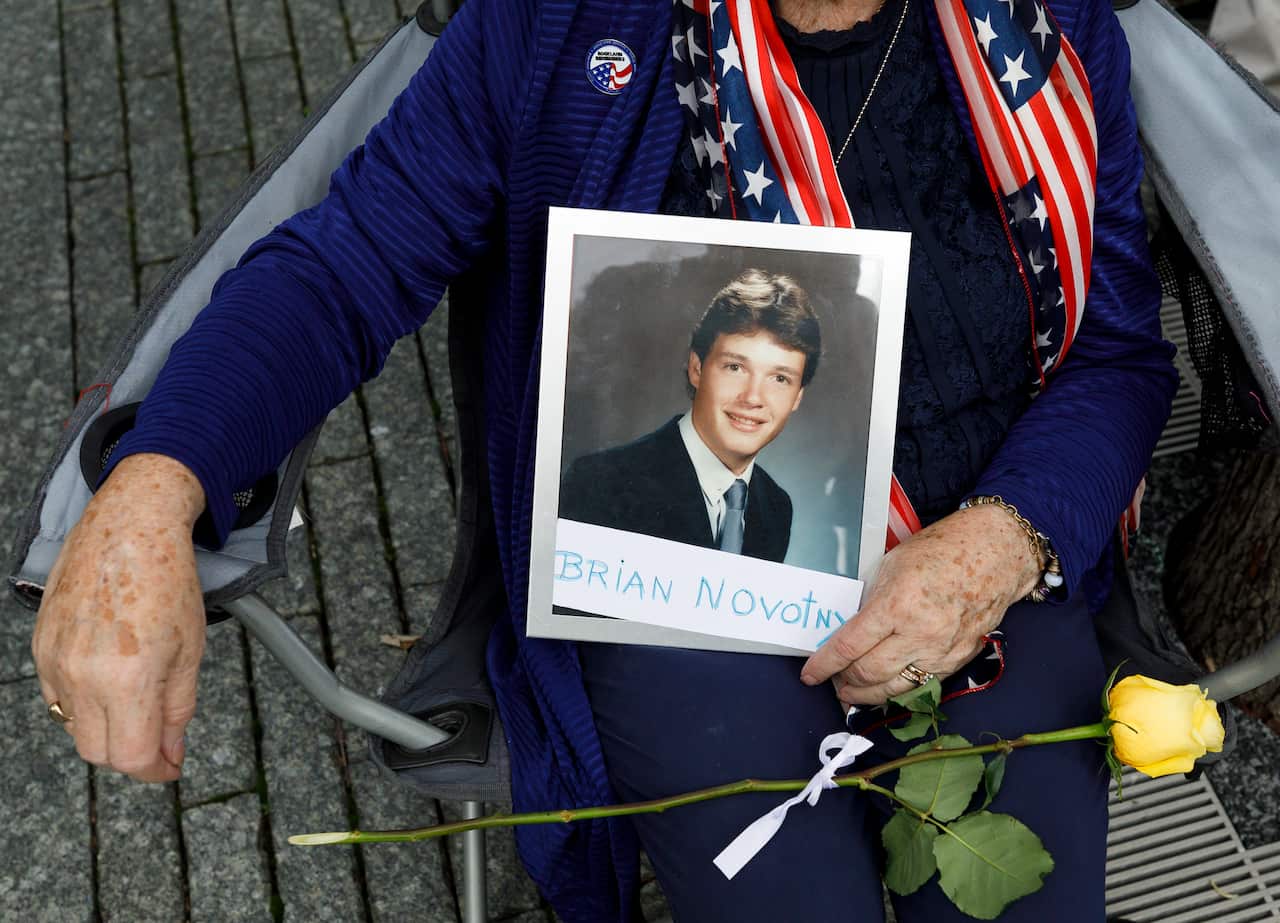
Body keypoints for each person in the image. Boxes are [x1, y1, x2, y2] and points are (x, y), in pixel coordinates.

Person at [29, 0, 1176, 919]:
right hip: (674, 583)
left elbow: (1116, 351)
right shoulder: (565, 25)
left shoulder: (1056, 30)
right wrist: (150, 485)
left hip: (992, 544)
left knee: (1014, 897)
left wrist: (1005, 537)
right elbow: (345, 264)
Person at [560, 268, 820, 564]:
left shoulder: (775, 508)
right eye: (735, 367)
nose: (752, 397)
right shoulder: (600, 483)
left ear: (797, 396)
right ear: (697, 368)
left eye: (780, 378)